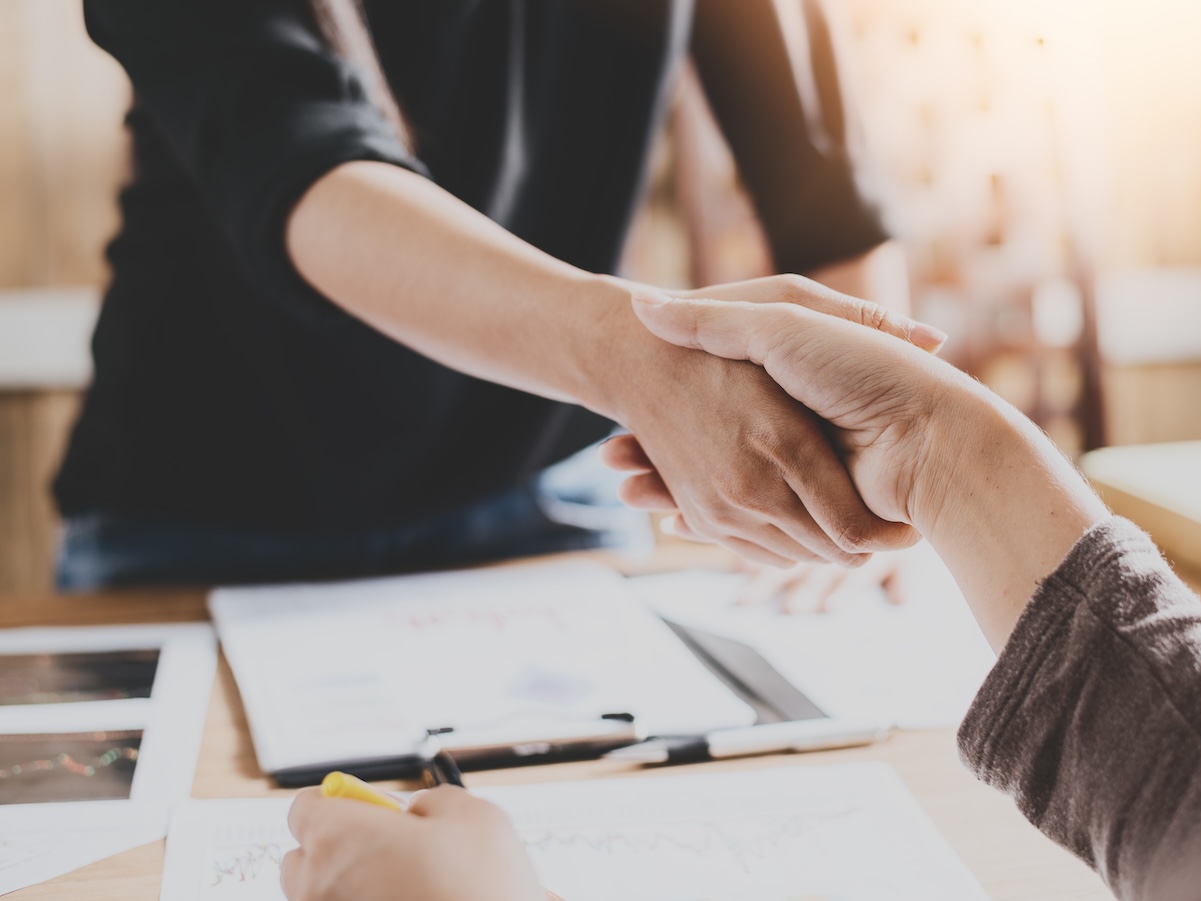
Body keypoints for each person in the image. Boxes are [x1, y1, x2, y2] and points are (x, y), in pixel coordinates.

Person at [280, 0, 1201, 898]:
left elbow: (826, 183)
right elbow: (296, 157)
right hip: (235, 493)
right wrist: (927, 440)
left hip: (552, 485)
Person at [57, 0, 924, 590]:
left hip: (550, 492)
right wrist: (630, 356)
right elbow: (310, 176)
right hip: (205, 521)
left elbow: (825, 196)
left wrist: (862, 473)